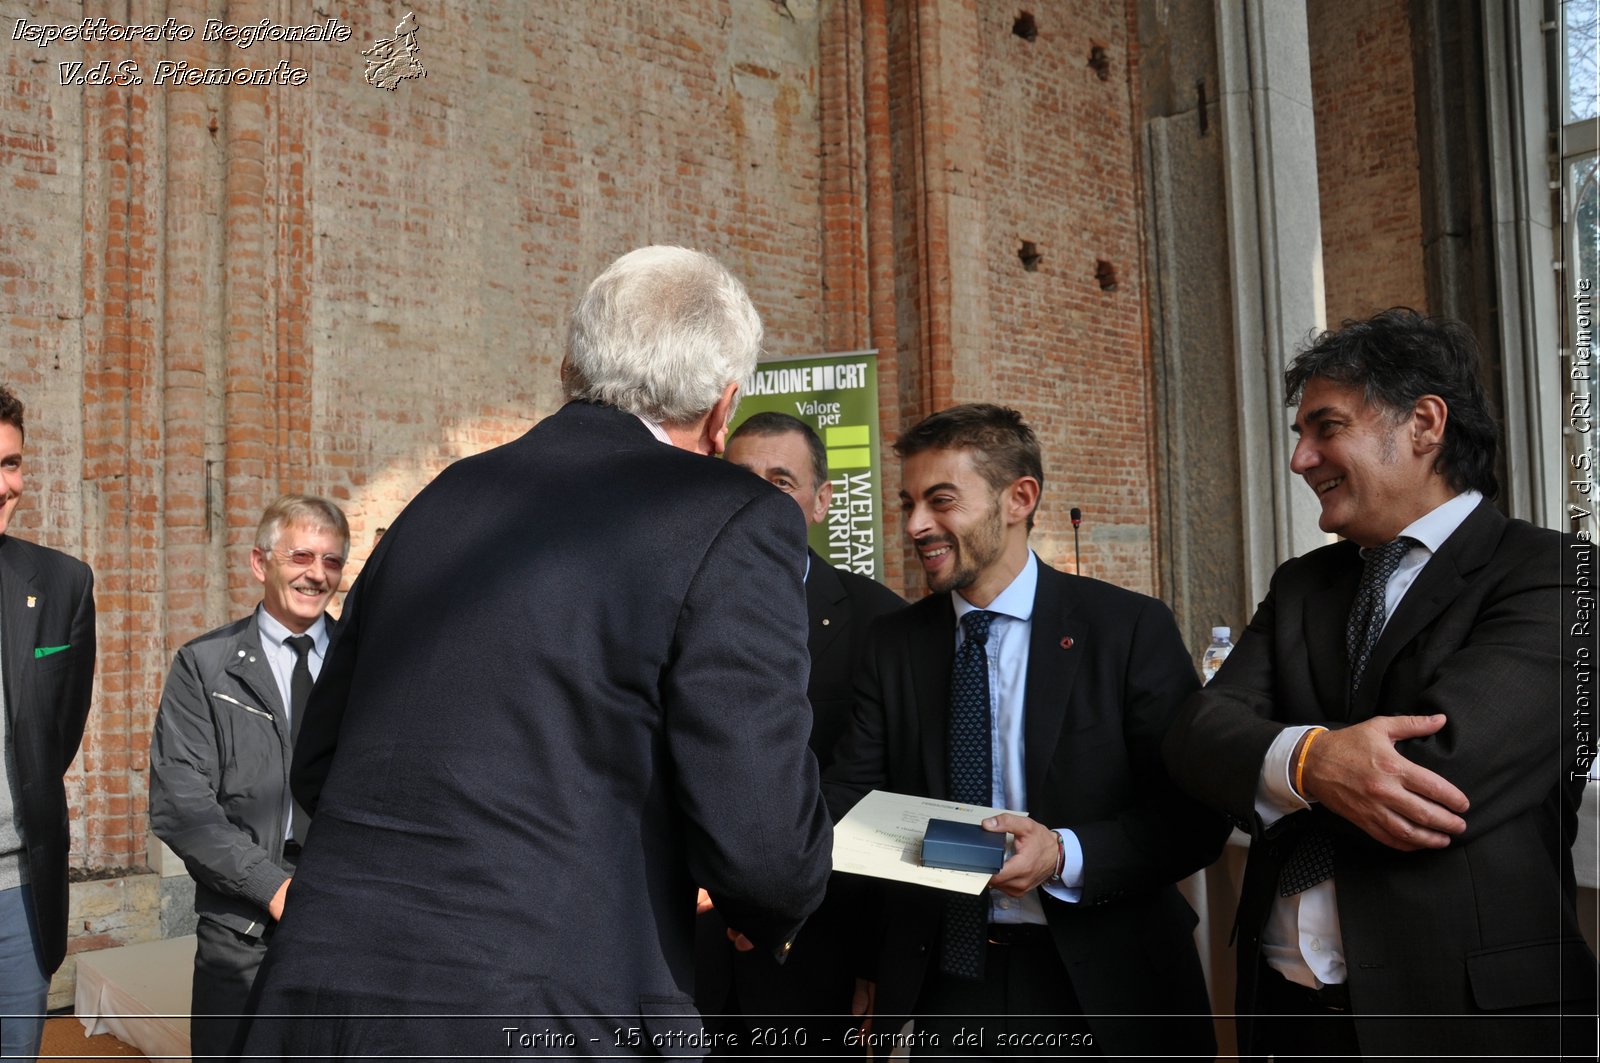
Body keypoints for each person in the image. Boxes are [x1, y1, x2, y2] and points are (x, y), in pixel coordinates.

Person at [238, 246, 833, 1057]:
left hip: (320, 999)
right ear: (723, 409)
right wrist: (767, 910)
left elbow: (321, 761)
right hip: (546, 1012)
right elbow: (765, 847)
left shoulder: (442, 499)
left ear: (570, 367)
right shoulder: (735, 517)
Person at [1162, 308, 1599, 1058]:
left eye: (1325, 427)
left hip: (1463, 1021)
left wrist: (1270, 763)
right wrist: (1312, 762)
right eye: (1300, 434)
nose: (1301, 459)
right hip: (1283, 1017)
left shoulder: (1558, 575)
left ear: (1425, 423)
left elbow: (1434, 777)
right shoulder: (1304, 584)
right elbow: (1196, 735)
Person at [824, 403, 1227, 1057]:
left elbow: (1193, 816)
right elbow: (850, 808)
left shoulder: (1126, 630)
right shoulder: (890, 645)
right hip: (949, 984)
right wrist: (975, 854)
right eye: (907, 503)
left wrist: (1061, 853)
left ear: (1020, 497)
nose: (915, 525)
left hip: (1110, 986)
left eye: (940, 500)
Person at [697, 413, 904, 1051]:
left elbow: (881, 796)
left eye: (781, 481)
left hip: (819, 960)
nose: (759, 496)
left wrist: (875, 962)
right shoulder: (668, 607)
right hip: (684, 960)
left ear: (821, 501)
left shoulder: (880, 624)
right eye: (741, 479)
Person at [147, 496, 348, 1060]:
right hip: (240, 929)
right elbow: (180, 803)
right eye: (301, 556)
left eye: (332, 561)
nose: (316, 573)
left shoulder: (364, 667)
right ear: (261, 564)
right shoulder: (205, 665)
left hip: (342, 922)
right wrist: (273, 888)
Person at [0, 385, 96, 1061]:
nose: (12, 483)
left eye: (10, 462)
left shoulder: (61, 583)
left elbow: (55, 734)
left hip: (16, 893)